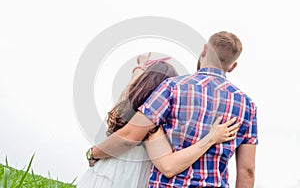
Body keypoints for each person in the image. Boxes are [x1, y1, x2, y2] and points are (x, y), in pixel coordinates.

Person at [77, 54, 240, 188]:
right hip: (132, 180)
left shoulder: (125, 108)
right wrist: (211, 138)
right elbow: (167, 166)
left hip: (103, 175)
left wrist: (140, 68)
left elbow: (132, 89)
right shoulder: (156, 124)